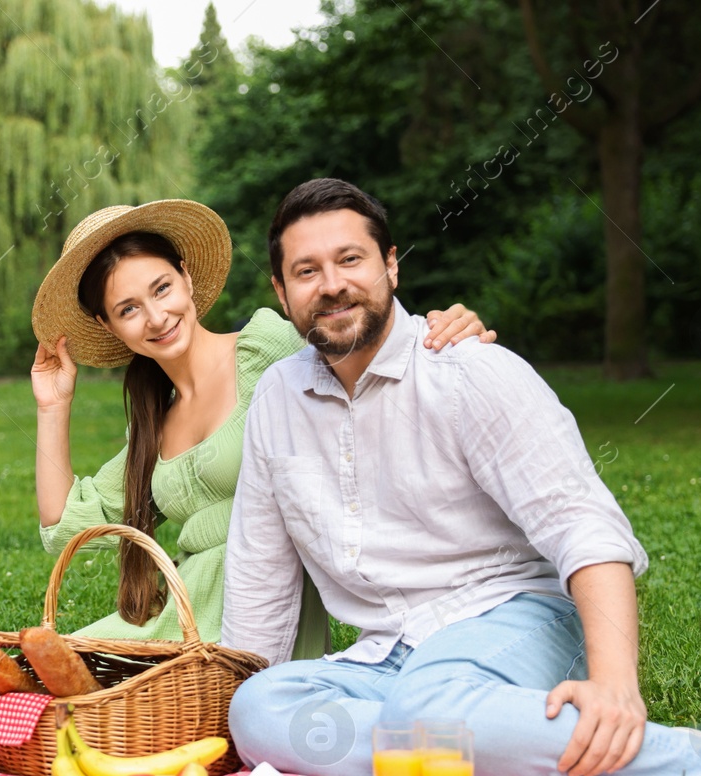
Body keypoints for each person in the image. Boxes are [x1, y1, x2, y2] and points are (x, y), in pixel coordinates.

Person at [221, 178, 701, 776]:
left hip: (519, 617)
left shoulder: (468, 370)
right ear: (282, 293)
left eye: (350, 260)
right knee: (256, 710)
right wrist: (230, 712)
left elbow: (583, 525)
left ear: (390, 264)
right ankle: (476, 748)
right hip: (387, 655)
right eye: (307, 270)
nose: (331, 284)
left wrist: (615, 684)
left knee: (429, 710)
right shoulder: (277, 400)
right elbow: (260, 576)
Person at [29, 199, 495, 653]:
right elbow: (64, 526)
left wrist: (440, 327)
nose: (156, 317)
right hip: (183, 620)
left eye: (162, 288)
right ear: (108, 325)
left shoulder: (263, 348)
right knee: (18, 682)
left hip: (260, 618)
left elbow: (362, 348)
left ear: (187, 277)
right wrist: (53, 407)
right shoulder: (154, 424)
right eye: (128, 309)